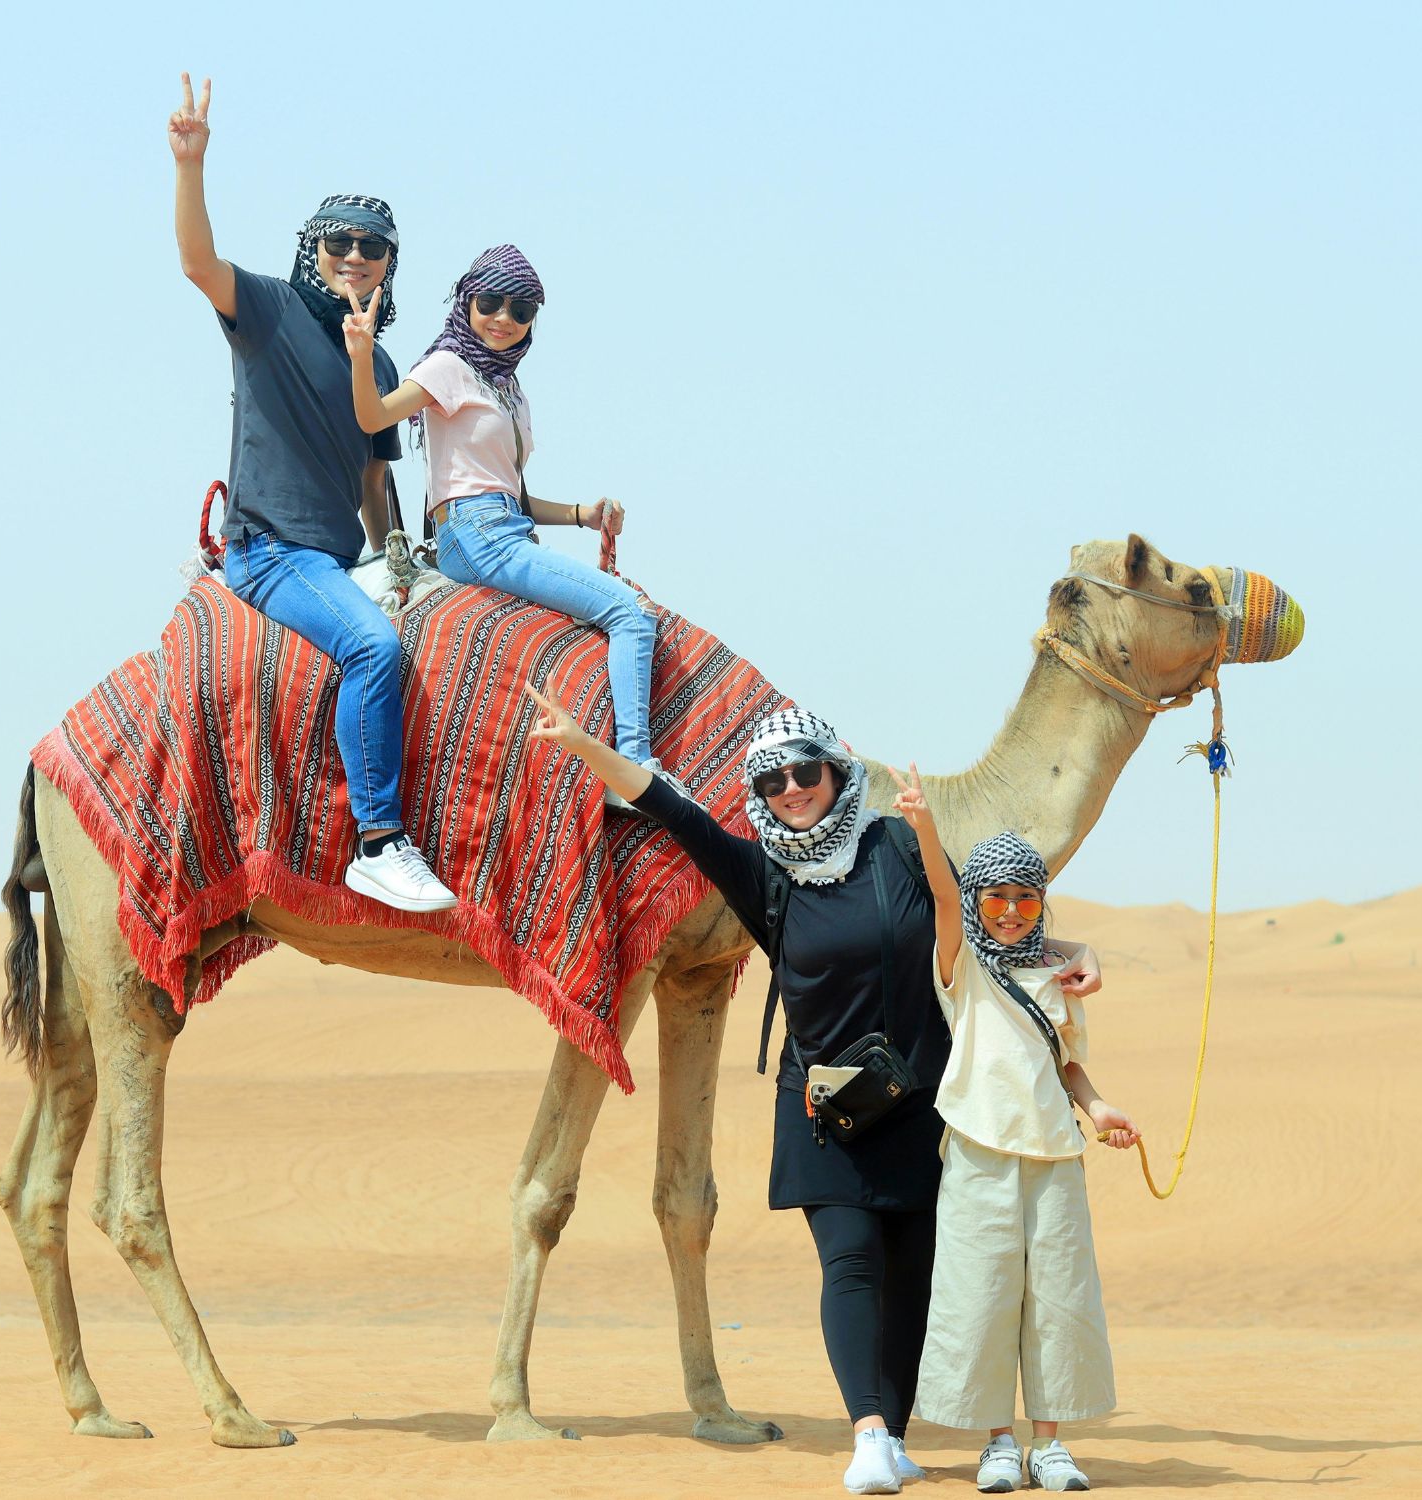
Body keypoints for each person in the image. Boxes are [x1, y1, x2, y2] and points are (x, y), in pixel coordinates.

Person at [522, 693, 1101, 1496]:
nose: (791, 790)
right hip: (824, 1107)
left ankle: (893, 1438)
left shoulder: (897, 845)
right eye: (772, 782)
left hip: (925, 1104)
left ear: (835, 772)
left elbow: (986, 920)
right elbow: (668, 807)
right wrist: (586, 743)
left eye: (806, 772)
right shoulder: (764, 877)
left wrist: (1079, 948)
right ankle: (867, 1433)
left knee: (913, 1272)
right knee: (851, 1262)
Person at [167, 73, 455, 914]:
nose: (354, 256)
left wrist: (399, 559)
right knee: (374, 649)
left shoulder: (383, 364)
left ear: (390, 262)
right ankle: (379, 841)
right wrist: (191, 164)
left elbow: (375, 478)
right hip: (270, 552)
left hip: (336, 555)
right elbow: (196, 261)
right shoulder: (268, 309)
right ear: (312, 249)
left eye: (372, 246)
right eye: (339, 242)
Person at [345, 247, 675, 810]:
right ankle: (635, 771)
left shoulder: (507, 387)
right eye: (490, 302)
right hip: (475, 533)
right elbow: (373, 417)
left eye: (520, 309)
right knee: (631, 615)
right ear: (466, 302)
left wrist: (580, 513)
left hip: (504, 525)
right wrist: (360, 352)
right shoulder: (448, 366)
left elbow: (510, 492)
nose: (503, 318)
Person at [889, 798, 1140, 1495]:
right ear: (977, 899)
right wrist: (924, 825)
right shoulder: (961, 967)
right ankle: (998, 1442)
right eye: (996, 896)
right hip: (977, 1149)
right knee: (984, 1293)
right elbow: (943, 893)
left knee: (1059, 1296)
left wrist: (1099, 1109)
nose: (1010, 910)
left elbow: (1067, 1065)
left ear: (1041, 903)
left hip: (1055, 1152)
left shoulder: (1058, 980)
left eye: (1026, 898)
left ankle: (1050, 1445)